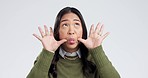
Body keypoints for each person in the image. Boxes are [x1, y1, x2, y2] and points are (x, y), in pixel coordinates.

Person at [27, 7, 120, 78]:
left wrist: (97, 50)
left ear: (83, 30)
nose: (71, 31)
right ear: (57, 31)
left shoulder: (93, 57)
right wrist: (47, 52)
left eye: (76, 24)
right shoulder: (47, 57)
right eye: (65, 25)